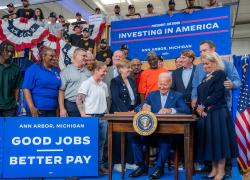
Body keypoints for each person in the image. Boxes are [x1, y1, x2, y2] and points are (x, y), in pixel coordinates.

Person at [191, 40, 241, 176]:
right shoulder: (200, 68)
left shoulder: (226, 66)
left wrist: (232, 84)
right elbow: (196, 86)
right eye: (200, 51)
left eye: (204, 50)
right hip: (206, 111)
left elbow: (237, 81)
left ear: (213, 49)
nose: (202, 53)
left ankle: (225, 170)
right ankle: (212, 169)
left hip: (220, 108)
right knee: (211, 140)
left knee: (221, 140)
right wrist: (196, 103)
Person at [129, 72, 190, 179]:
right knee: (135, 140)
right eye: (160, 84)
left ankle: (159, 168)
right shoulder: (152, 95)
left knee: (164, 140)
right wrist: (142, 108)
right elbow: (138, 108)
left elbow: (186, 110)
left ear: (170, 83)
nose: (162, 87)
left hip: (169, 133)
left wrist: (170, 110)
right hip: (151, 132)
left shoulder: (177, 95)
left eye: (165, 84)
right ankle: (142, 166)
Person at [76, 61, 109, 175]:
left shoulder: (104, 85)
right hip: (90, 118)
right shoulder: (87, 83)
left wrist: (107, 116)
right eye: (103, 71)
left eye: (106, 71)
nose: (105, 73)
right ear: (96, 70)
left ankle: (99, 166)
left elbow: (105, 101)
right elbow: (79, 99)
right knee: (90, 144)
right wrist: (82, 113)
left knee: (101, 144)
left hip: (103, 118)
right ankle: (88, 167)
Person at [110, 60, 137, 171]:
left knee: (130, 137)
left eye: (130, 68)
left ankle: (129, 162)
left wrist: (135, 110)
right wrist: (126, 112)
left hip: (131, 112)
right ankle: (117, 163)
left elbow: (134, 97)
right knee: (118, 138)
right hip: (119, 113)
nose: (130, 70)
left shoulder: (131, 80)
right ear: (120, 69)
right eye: (127, 68)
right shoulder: (114, 81)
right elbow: (116, 99)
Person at [22, 47, 61, 117]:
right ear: (43, 56)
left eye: (55, 56)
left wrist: (58, 108)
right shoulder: (33, 69)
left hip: (53, 109)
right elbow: (26, 89)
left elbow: (58, 90)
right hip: (38, 108)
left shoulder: (56, 70)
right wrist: (31, 107)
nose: (54, 58)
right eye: (51, 56)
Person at [59, 48, 88, 118]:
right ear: (75, 56)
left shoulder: (88, 72)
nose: (85, 58)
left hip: (85, 106)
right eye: (83, 56)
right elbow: (61, 91)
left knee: (85, 128)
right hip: (71, 105)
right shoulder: (66, 71)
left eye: (86, 56)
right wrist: (62, 108)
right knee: (73, 127)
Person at [0, 42, 22, 117]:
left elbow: (17, 87)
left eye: (12, 52)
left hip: (10, 107)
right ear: (1, 50)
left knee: (10, 128)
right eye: (7, 51)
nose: (10, 54)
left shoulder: (16, 68)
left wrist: (16, 102)